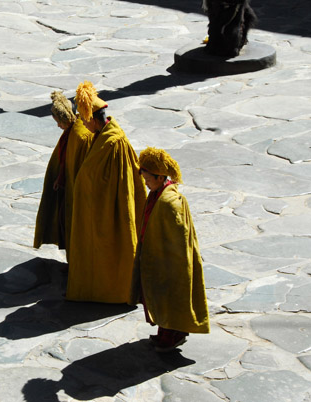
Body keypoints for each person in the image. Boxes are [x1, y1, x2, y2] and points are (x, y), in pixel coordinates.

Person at [66, 81, 147, 304]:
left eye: (84, 119)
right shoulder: (101, 136)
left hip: (111, 206)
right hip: (97, 204)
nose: (83, 124)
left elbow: (116, 181)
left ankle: (116, 291)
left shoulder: (114, 143)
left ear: (92, 118)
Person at [131, 147, 210, 352]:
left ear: (159, 177)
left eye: (148, 179)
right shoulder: (158, 193)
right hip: (157, 255)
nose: (146, 184)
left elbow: (178, 237)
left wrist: (169, 261)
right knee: (159, 297)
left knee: (169, 296)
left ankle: (173, 334)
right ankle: (165, 332)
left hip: (169, 259)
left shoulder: (169, 202)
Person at [34, 91, 93, 261]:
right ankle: (71, 260)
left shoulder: (79, 135)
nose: (58, 126)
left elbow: (76, 163)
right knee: (64, 223)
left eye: (58, 122)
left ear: (64, 118)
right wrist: (60, 177)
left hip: (76, 190)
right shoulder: (71, 133)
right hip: (66, 185)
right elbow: (66, 160)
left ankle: (76, 262)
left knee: (73, 225)